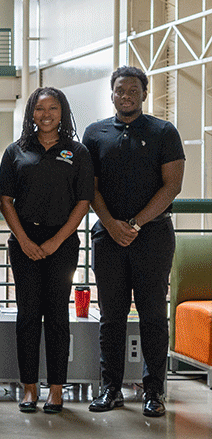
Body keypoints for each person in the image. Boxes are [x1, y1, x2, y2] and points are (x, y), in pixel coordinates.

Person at [82, 66, 185, 417]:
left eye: (133, 89)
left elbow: (172, 185)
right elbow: (90, 187)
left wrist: (135, 224)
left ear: (144, 93)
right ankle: (110, 388)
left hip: (153, 235)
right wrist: (111, 224)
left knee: (153, 315)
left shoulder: (163, 132)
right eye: (119, 89)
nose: (126, 95)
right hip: (108, 236)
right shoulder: (95, 134)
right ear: (111, 94)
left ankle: (153, 391)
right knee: (111, 316)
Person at [0, 87, 93, 415]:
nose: (46, 114)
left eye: (53, 108)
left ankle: (56, 389)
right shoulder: (15, 151)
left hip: (62, 243)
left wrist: (57, 240)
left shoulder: (77, 152)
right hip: (24, 242)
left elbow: (83, 201)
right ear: (31, 114)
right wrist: (23, 239)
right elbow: (5, 200)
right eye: (40, 109)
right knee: (27, 316)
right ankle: (29, 388)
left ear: (62, 112)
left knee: (56, 315)